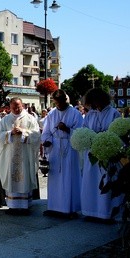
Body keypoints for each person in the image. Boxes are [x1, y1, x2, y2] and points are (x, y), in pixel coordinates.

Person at [80, 88, 122, 223]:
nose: (94, 105)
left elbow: (117, 133)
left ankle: (106, 213)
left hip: (106, 153)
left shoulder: (113, 113)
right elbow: (84, 130)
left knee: (105, 181)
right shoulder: (90, 114)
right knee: (90, 182)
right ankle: (91, 211)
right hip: (91, 153)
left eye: (96, 101)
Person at [41, 89, 83, 219]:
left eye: (61, 102)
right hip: (54, 149)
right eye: (56, 102)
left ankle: (69, 208)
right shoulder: (52, 114)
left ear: (66, 100)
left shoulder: (75, 113)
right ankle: (54, 207)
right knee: (54, 178)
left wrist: (67, 129)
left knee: (68, 177)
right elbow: (46, 131)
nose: (58, 105)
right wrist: (46, 141)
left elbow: (81, 133)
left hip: (69, 148)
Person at [0, 97, 40, 215]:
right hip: (10, 155)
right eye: (13, 106)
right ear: (9, 107)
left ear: (23, 106)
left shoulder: (30, 118)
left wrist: (24, 133)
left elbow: (36, 135)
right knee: (11, 176)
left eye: (18, 106)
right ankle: (12, 206)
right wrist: (10, 133)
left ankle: (25, 206)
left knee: (24, 175)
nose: (16, 108)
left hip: (25, 155)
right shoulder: (5, 120)